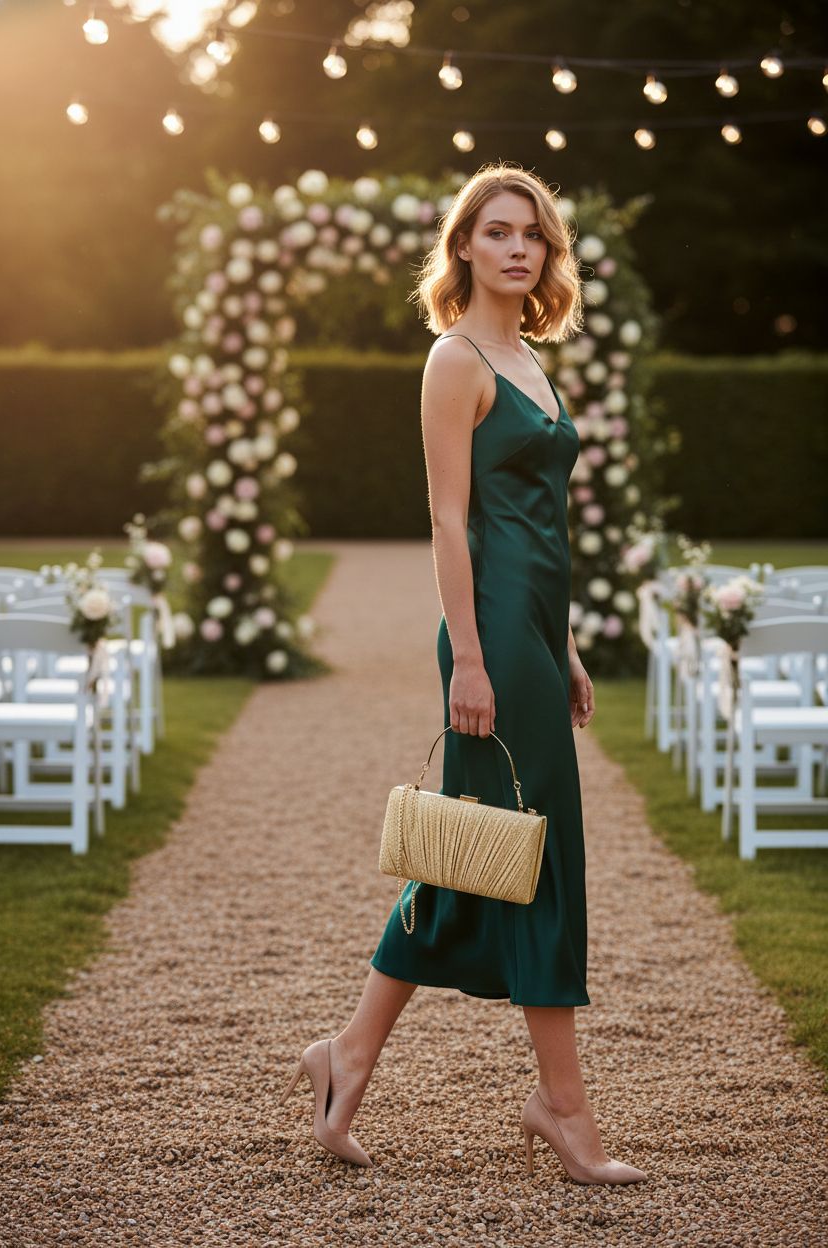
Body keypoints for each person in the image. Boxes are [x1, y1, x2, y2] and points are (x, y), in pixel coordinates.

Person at [279, 162, 648, 1185]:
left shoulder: (531, 357)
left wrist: (563, 644)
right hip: (486, 634)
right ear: (464, 248)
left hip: (533, 631)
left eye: (531, 233)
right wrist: (473, 659)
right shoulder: (455, 359)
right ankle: (564, 1108)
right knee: (533, 846)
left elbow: (543, 525)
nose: (517, 247)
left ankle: (345, 1056)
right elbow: (449, 520)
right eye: (496, 231)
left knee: (470, 851)